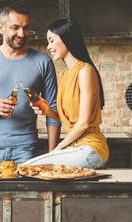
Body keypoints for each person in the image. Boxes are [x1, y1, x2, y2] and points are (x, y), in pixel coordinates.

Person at [0, 1, 61, 170]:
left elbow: (53, 110)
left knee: (30, 197)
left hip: (27, 150)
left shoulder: (43, 61)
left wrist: (52, 155)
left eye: (25, 27)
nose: (22, 33)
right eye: (15, 27)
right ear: (1, 28)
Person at [23, 19, 109, 169]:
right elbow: (68, 120)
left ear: (66, 39)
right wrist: (47, 111)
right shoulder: (64, 75)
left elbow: (83, 124)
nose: (48, 47)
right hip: (74, 149)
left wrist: (56, 150)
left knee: (28, 167)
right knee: (31, 168)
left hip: (90, 149)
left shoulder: (85, 71)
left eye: (51, 41)